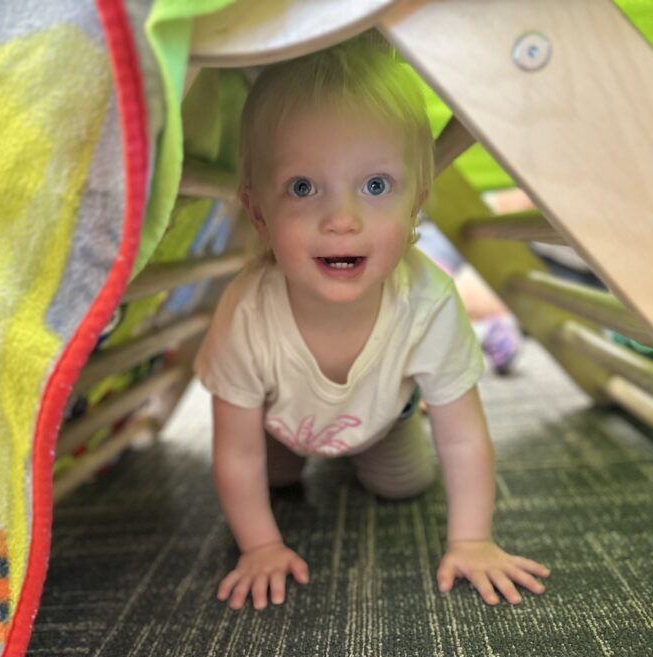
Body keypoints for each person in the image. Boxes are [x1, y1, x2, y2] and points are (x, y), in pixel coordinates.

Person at [194, 34, 549, 611]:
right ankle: (300, 464)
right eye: (303, 187)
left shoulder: (429, 302)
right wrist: (260, 547)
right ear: (258, 213)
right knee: (272, 483)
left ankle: (389, 430)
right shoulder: (246, 313)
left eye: (376, 186)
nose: (342, 219)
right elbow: (235, 453)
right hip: (278, 424)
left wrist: (472, 540)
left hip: (381, 423)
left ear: (416, 204)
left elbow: (462, 435)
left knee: (406, 486)